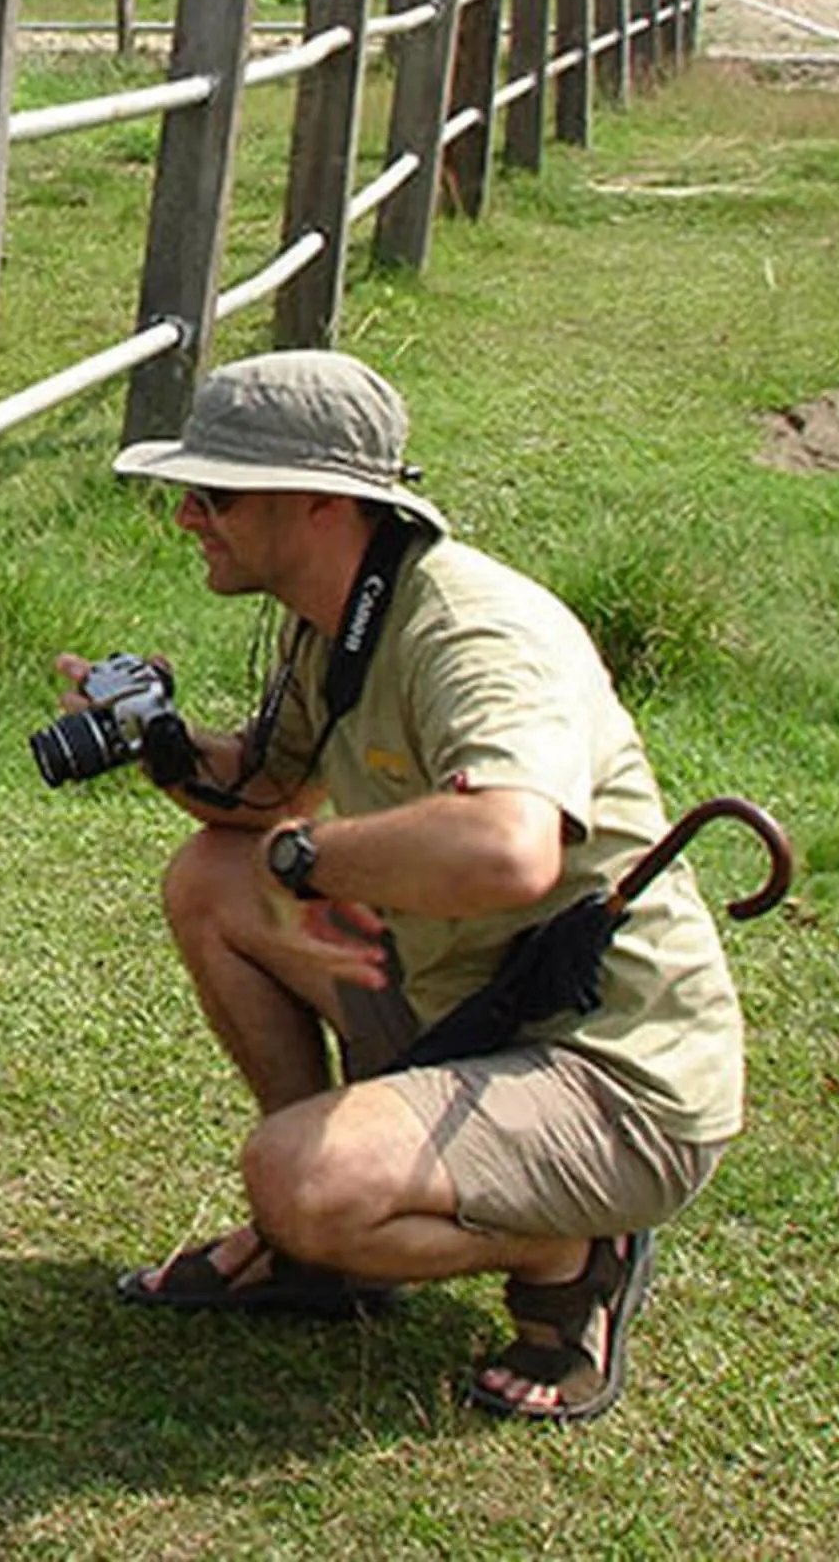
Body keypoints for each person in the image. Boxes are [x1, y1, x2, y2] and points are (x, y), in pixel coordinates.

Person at [66, 350, 742, 1424]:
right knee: (213, 879)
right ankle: (322, 1242)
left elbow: (510, 849)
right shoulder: (337, 613)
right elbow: (266, 791)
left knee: (295, 1178)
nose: (189, 515)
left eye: (217, 493)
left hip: (604, 1069)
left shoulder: (476, 633)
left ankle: (574, 1253)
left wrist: (311, 860)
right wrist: (160, 741)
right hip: (467, 1004)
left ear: (322, 503)